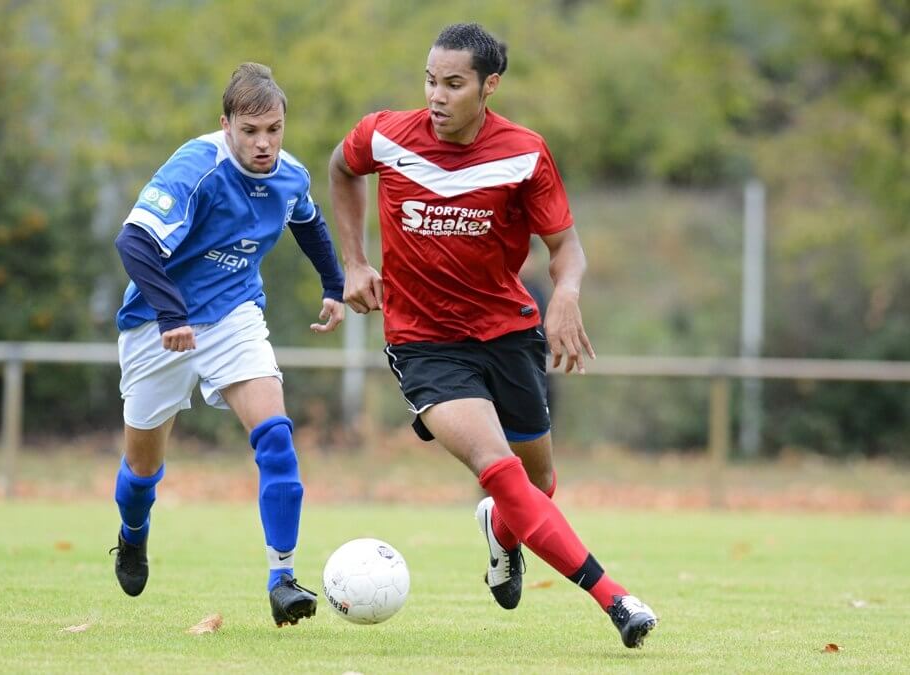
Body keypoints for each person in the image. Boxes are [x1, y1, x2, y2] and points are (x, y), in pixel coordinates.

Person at [328, 24, 657, 648]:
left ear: (489, 86)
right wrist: (352, 261)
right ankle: (616, 600)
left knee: (538, 486)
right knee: (498, 468)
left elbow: (567, 248)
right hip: (423, 342)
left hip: (506, 333)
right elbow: (342, 169)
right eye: (430, 80)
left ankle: (502, 537)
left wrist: (565, 293)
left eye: (454, 84)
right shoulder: (385, 135)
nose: (437, 95)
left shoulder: (524, 152)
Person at [111, 62, 344, 627]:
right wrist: (171, 314)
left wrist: (334, 286)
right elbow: (133, 241)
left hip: (235, 315)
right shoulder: (197, 168)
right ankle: (133, 532)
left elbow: (307, 222)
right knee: (142, 469)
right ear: (226, 125)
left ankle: (282, 577)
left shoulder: (290, 174)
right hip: (158, 324)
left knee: (276, 439)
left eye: (274, 129)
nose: (264, 144)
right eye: (250, 131)